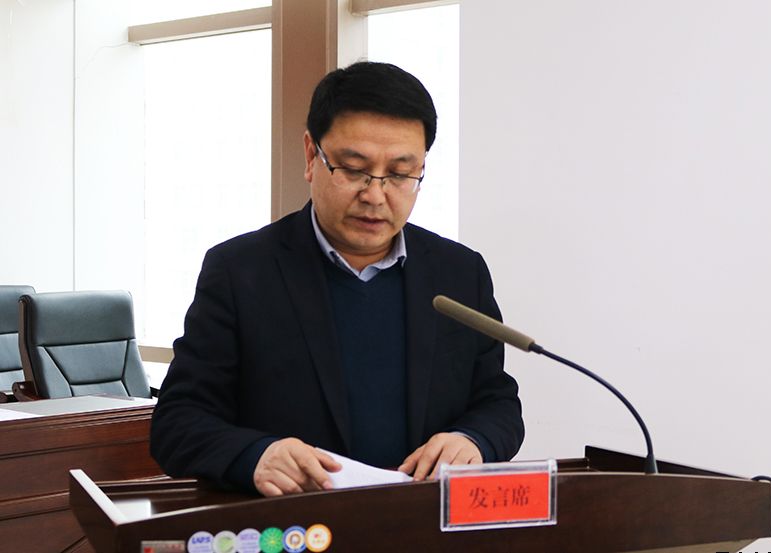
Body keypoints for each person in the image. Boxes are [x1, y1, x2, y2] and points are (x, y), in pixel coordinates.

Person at [150, 61, 524, 497]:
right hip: (292, 523)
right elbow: (177, 422)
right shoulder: (240, 271)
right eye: (353, 169)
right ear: (312, 155)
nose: (375, 194)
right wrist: (255, 455)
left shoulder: (459, 273)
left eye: (400, 174)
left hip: (421, 521)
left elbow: (497, 402)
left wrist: (473, 440)